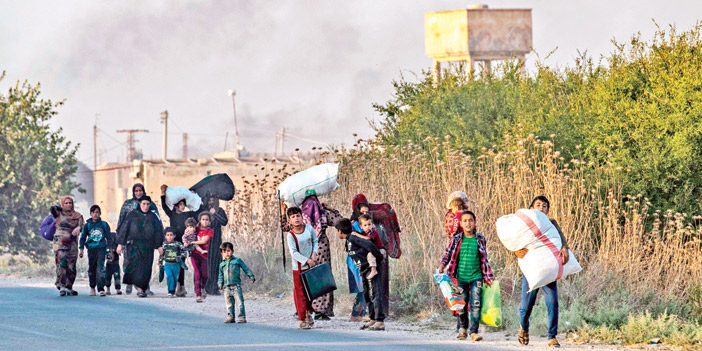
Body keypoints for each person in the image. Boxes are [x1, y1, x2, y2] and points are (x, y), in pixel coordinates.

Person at [514, 195, 570, 348]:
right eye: (538, 204)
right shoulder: (526, 225)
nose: (541, 207)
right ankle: (523, 327)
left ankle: (552, 337)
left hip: (548, 270)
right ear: (531, 209)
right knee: (526, 306)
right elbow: (514, 241)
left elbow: (561, 238)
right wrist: (516, 251)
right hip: (530, 270)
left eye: (544, 206)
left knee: (552, 302)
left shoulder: (551, 224)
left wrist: (564, 248)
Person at [280, 195, 341, 320]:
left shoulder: (302, 220)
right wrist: (331, 209)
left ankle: (306, 310)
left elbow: (284, 226)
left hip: (309, 253)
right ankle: (318, 311)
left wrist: (283, 212)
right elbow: (340, 221)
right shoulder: (322, 213)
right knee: (321, 280)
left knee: (307, 282)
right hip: (320, 250)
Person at [438, 211, 495, 342]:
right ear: (461, 224)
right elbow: (448, 254)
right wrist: (442, 265)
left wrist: (488, 277)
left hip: (477, 277)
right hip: (461, 279)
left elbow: (484, 259)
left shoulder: (480, 239)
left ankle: (474, 332)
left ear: (475, 223)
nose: (468, 223)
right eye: (465, 221)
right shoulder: (457, 239)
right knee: (461, 305)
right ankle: (463, 328)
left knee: (476, 305)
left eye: (470, 220)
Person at [336, 218, 386, 331]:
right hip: (363, 269)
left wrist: (378, 257)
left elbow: (369, 244)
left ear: (339, 231)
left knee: (376, 292)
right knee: (366, 293)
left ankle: (380, 321)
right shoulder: (349, 240)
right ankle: (373, 318)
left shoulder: (354, 238)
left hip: (372, 267)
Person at [116, 183, 160, 295]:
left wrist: (159, 244)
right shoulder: (129, 207)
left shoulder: (152, 212)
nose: (145, 206)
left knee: (146, 266)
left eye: (140, 190)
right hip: (133, 243)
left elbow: (158, 228)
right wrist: (120, 242)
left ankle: (144, 287)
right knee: (132, 264)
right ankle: (136, 287)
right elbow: (123, 223)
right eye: (136, 191)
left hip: (148, 244)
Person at [160, 184, 202, 296]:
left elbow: (197, 211)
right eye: (181, 205)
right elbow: (164, 207)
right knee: (173, 263)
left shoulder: (187, 215)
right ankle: (176, 286)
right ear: (176, 206)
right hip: (173, 243)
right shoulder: (172, 215)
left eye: (184, 204)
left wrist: (195, 196)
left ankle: (181, 287)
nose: (183, 206)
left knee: (181, 263)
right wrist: (163, 194)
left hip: (184, 243)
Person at [285, 206, 319, 329]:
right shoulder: (291, 235)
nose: (296, 219)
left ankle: (309, 314)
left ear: (302, 216)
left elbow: (315, 241)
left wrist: (314, 253)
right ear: (289, 221)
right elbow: (294, 253)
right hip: (299, 269)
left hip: (311, 266)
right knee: (300, 294)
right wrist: (307, 260)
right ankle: (302, 319)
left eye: (298, 216)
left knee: (310, 293)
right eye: (293, 217)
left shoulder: (309, 228)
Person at [52, 196, 84, 296]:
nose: (68, 205)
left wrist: (79, 228)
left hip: (72, 243)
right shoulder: (58, 213)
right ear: (62, 204)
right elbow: (52, 209)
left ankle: (69, 286)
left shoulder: (78, 216)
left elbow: (83, 226)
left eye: (70, 203)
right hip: (60, 243)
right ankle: (61, 286)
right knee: (61, 264)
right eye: (66, 203)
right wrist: (58, 207)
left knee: (71, 266)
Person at [218, 242, 255, 324]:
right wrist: (220, 284)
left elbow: (246, 268)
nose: (227, 253)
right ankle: (230, 317)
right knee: (229, 304)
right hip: (227, 287)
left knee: (240, 303)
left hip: (236, 286)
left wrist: (251, 276)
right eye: (224, 252)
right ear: (221, 253)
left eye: (228, 251)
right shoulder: (222, 264)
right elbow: (220, 275)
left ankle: (242, 317)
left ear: (232, 251)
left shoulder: (237, 261)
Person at [79, 205, 111, 297]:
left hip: (101, 248)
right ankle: (92, 287)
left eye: (97, 212)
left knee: (101, 268)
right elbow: (83, 238)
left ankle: (101, 288)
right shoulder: (87, 225)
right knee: (92, 268)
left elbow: (109, 238)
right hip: (91, 249)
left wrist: (110, 250)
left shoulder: (104, 225)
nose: (95, 214)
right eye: (93, 212)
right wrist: (81, 249)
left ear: (100, 214)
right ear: (91, 214)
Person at [205, 197, 229, 296]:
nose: (211, 202)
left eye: (213, 200)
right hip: (206, 241)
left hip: (216, 241)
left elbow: (224, 222)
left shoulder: (220, 211)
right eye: (209, 200)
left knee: (216, 264)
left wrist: (215, 213)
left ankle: (214, 288)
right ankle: (205, 287)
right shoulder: (204, 211)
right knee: (206, 264)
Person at [188, 212, 213, 303]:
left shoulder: (210, 231)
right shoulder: (196, 229)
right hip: (195, 254)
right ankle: (198, 295)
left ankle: (202, 288)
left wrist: (193, 242)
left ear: (209, 221)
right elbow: (188, 234)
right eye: (203, 219)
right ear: (200, 220)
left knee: (205, 275)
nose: (205, 221)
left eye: (207, 220)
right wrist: (186, 241)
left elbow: (204, 241)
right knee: (197, 273)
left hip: (204, 255)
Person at [160, 227, 186, 297]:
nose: (169, 237)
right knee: (169, 276)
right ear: (165, 236)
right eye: (168, 235)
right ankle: (170, 291)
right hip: (167, 264)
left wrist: (181, 256)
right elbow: (162, 255)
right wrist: (160, 263)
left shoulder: (178, 244)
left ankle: (173, 291)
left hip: (176, 264)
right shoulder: (164, 245)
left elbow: (185, 251)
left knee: (175, 278)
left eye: (171, 235)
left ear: (174, 236)